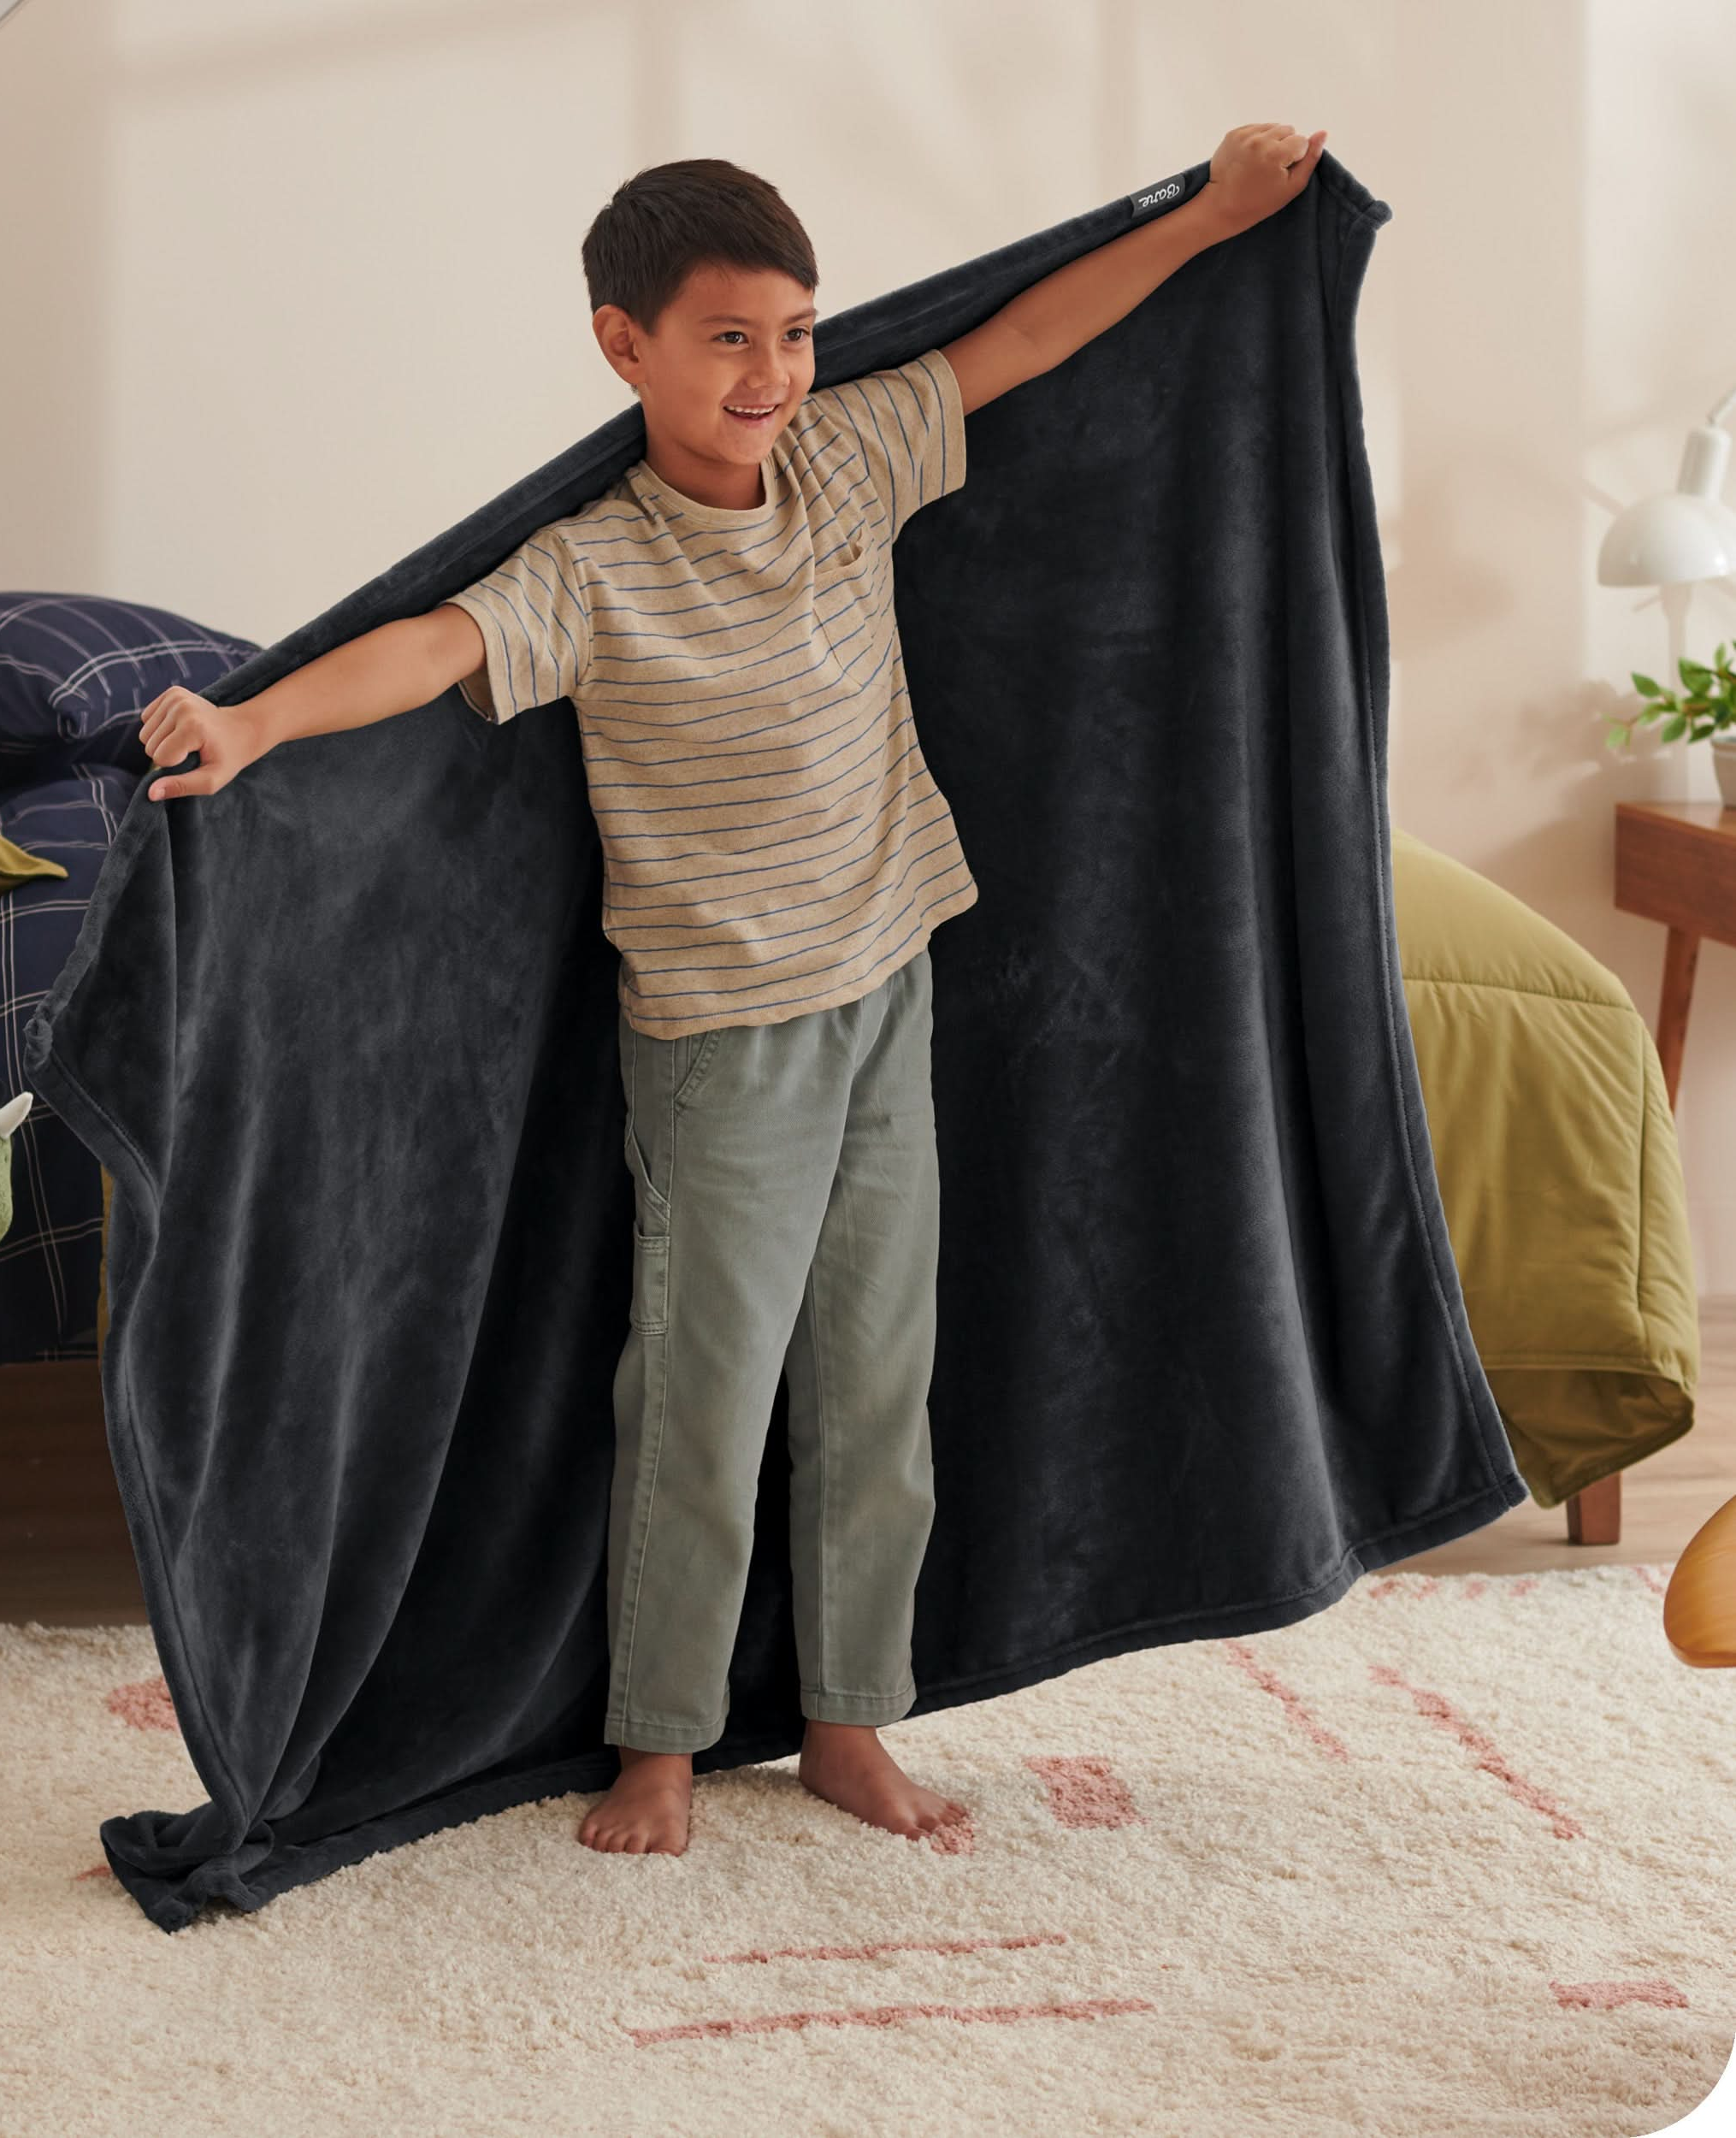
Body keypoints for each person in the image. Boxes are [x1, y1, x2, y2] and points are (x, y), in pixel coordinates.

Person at [137, 124, 1325, 1858]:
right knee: (703, 1398)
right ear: (624, 346)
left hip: (885, 984)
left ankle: (848, 1721)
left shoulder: (845, 457)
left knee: (874, 1387)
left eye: (794, 330)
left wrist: (1215, 215)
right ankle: (661, 1744)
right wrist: (250, 722)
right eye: (726, 338)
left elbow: (1020, 340)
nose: (770, 373)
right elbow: (433, 646)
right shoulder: (596, 568)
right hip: (719, 1045)